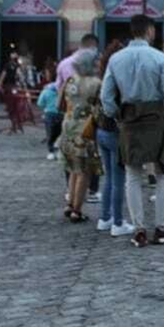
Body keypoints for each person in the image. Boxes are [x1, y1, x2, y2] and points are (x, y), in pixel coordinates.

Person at [101, 15, 164, 247]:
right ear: (150, 31)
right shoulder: (160, 58)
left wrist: (117, 115)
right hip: (155, 119)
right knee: (163, 173)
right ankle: (162, 228)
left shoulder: (116, 59)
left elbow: (106, 97)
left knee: (132, 175)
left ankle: (139, 230)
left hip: (129, 120)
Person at [58, 49, 102, 224]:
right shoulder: (96, 83)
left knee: (73, 168)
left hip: (68, 125)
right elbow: (100, 108)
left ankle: (70, 204)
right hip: (86, 128)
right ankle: (77, 210)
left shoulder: (70, 80)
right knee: (84, 170)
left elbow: (60, 104)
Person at [94, 40, 130, 236]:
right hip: (115, 132)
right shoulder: (118, 80)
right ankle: (117, 222)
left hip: (101, 131)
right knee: (118, 180)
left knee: (109, 178)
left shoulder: (102, 78)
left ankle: (104, 218)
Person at [38, 81, 62, 160]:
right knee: (60, 133)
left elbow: (40, 103)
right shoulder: (62, 91)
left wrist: (46, 107)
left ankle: (51, 152)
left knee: (50, 133)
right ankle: (59, 151)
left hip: (49, 114)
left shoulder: (45, 92)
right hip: (61, 114)